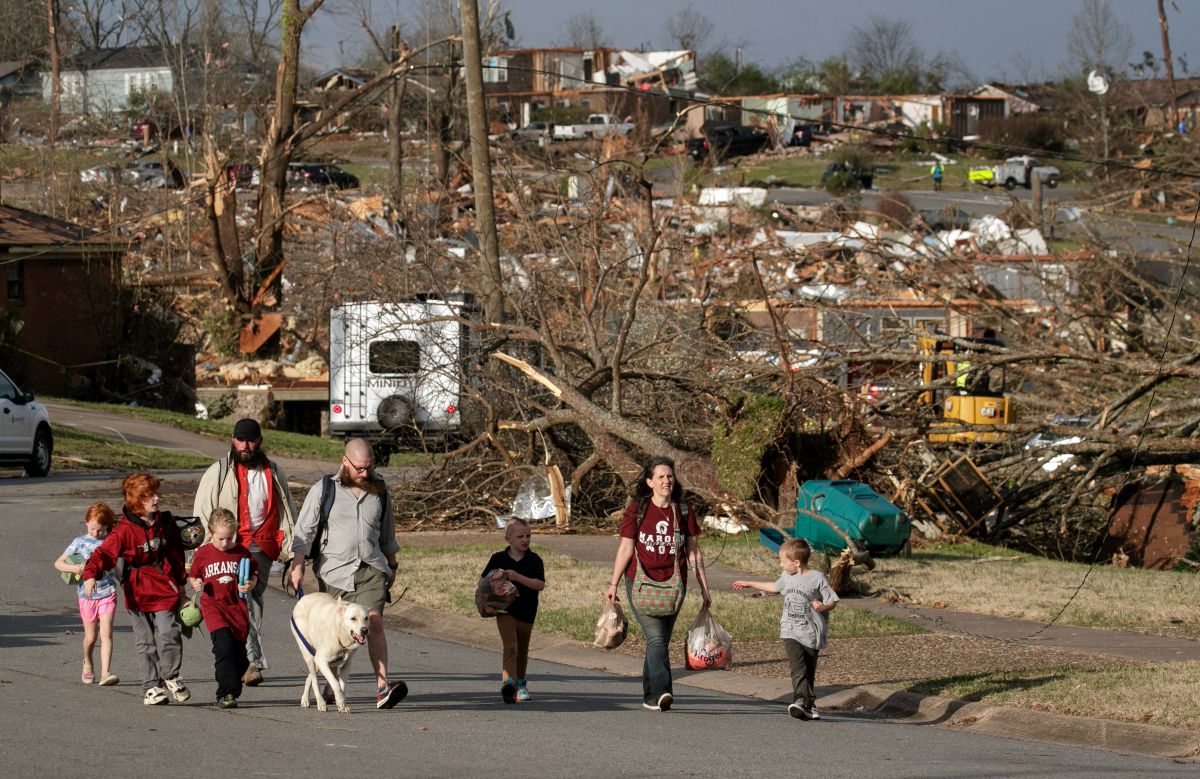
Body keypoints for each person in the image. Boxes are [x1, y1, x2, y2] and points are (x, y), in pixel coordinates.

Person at [288, 438, 407, 709]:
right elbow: (304, 530)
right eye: (359, 468)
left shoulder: (380, 490)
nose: (365, 473)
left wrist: (392, 563)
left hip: (371, 568)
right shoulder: (324, 489)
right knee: (338, 630)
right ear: (345, 461)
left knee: (372, 622)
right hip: (334, 572)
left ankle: (382, 688)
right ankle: (333, 684)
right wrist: (297, 564)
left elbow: (387, 531)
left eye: (370, 467)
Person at [193, 417, 296, 687]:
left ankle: (244, 657)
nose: (245, 445)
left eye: (250, 440)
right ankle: (253, 662)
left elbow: (287, 511)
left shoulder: (273, 471)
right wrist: (200, 555)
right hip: (229, 547)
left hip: (263, 546)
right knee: (245, 598)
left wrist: (292, 551)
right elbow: (202, 514)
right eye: (240, 439)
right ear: (233, 439)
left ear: (260, 441)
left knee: (252, 600)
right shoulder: (218, 472)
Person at [605, 456, 712, 712]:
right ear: (650, 481)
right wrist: (613, 584)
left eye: (670, 476)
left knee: (659, 641)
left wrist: (705, 589)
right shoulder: (637, 509)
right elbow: (625, 549)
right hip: (640, 583)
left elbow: (694, 552)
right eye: (661, 476)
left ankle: (650, 696)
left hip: (675, 585)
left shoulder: (683, 510)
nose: (667, 480)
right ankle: (664, 691)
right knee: (656, 639)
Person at [83, 472, 191, 706]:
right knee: (146, 642)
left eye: (156, 493)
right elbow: (102, 555)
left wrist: (181, 582)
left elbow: (175, 553)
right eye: (149, 495)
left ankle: (171, 676)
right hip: (137, 589)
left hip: (164, 586)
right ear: (137, 500)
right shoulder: (123, 530)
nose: (156, 499)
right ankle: (152, 687)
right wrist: (90, 575)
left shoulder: (165, 522)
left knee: (169, 632)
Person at [732, 538, 838, 720]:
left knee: (808, 670)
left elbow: (833, 600)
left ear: (796, 563)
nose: (781, 565)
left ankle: (809, 704)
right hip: (790, 629)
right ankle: (800, 701)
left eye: (783, 561)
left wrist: (823, 607)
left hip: (811, 633)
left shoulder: (817, 578)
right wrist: (749, 583)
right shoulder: (786, 577)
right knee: (798, 667)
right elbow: (774, 587)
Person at [188, 508, 258, 710]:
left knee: (238, 655)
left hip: (237, 608)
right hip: (213, 607)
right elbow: (194, 576)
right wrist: (196, 584)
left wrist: (250, 584)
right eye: (220, 539)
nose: (225, 543)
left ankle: (237, 676)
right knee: (223, 647)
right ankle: (226, 693)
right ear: (210, 532)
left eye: (229, 538)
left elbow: (253, 573)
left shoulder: (241, 552)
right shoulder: (203, 553)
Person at [54, 502, 120, 687]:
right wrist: (75, 568)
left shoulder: (110, 542)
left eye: (101, 530)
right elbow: (58, 563)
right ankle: (87, 661)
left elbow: (115, 565)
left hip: (108, 592)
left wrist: (124, 581)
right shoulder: (79, 542)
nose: (97, 533)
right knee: (90, 637)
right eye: (93, 529)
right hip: (87, 595)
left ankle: (106, 672)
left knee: (106, 633)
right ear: (86, 522)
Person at [481, 518, 545, 703]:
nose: (525, 540)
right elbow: (482, 582)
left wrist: (517, 577)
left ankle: (521, 683)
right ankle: (508, 684)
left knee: (522, 649)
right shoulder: (498, 559)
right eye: (520, 536)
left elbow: (539, 584)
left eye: (528, 536)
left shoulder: (534, 560)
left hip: (527, 611)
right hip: (505, 610)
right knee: (510, 647)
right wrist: (494, 584)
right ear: (508, 539)